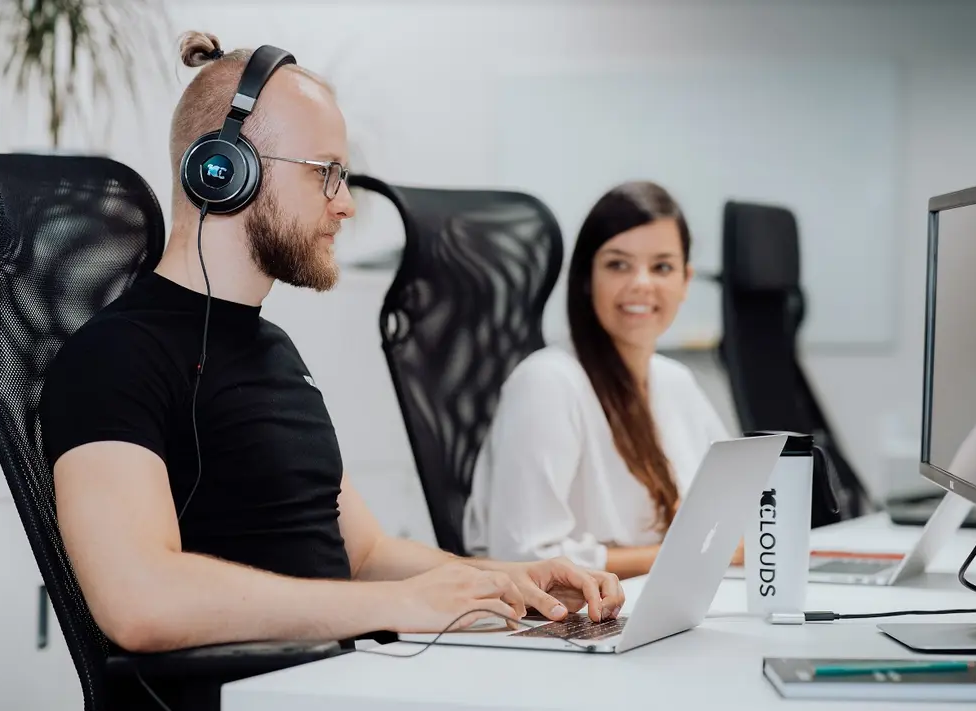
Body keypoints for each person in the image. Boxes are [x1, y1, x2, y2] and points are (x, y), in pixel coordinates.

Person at [37, 31, 624, 657]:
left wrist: (509, 579)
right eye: (327, 174)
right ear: (223, 172)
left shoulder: (273, 350)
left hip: (334, 684)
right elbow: (139, 602)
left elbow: (365, 553)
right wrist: (395, 606)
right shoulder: (113, 357)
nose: (344, 205)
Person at [463, 180, 736, 580]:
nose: (642, 283)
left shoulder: (677, 383)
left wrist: (716, 549)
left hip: (660, 601)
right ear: (587, 278)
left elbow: (731, 511)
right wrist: (690, 555)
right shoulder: (548, 382)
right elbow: (523, 556)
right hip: (564, 618)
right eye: (618, 264)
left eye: (662, 267)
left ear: (685, 281)